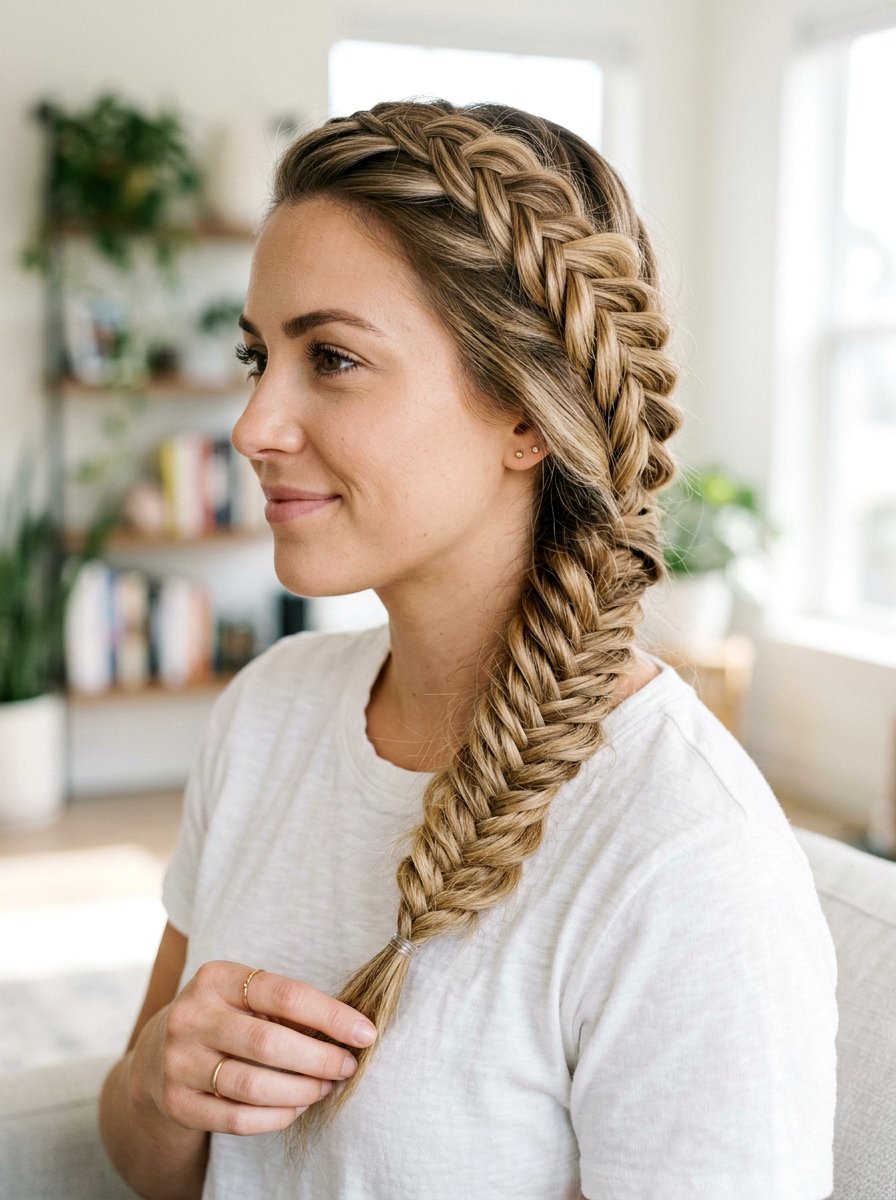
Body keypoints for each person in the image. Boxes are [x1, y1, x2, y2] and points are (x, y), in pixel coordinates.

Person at [99, 98, 838, 1199]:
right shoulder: (267, 714)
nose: (254, 424)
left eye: (333, 357)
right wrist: (159, 1084)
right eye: (257, 355)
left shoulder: (682, 860)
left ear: (528, 413)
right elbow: (156, 1168)